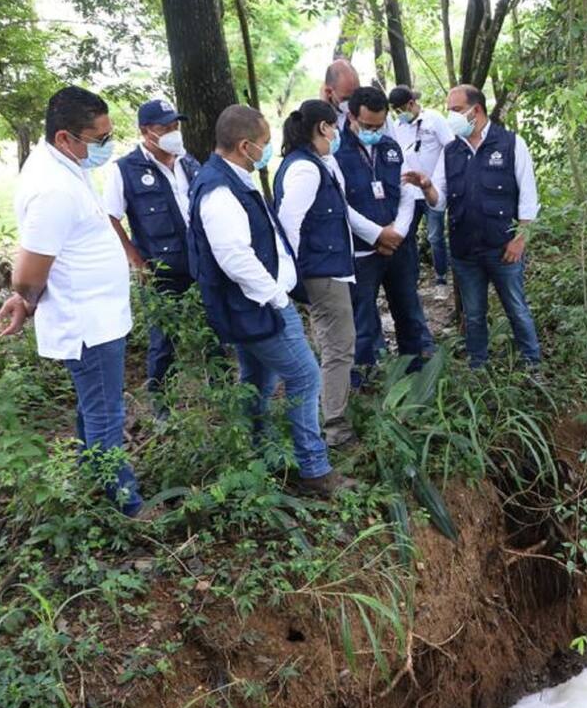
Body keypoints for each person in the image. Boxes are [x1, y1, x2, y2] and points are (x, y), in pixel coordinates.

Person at [0, 85, 144, 516]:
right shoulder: (53, 188)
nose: (106, 146)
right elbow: (29, 271)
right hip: (88, 322)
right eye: (99, 139)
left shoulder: (64, 163)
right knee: (105, 413)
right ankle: (123, 504)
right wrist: (24, 299)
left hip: (99, 315)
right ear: (64, 137)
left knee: (94, 406)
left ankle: (90, 481)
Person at [186, 104, 345, 497]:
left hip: (253, 306)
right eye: (265, 143)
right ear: (245, 146)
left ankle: (262, 454)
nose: (268, 149)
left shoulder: (233, 178)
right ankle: (314, 470)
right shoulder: (219, 190)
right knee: (305, 376)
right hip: (257, 306)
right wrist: (276, 298)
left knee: (258, 379)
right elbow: (234, 257)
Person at [272, 99, 400, 447]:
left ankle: (327, 415)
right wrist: (291, 276)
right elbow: (288, 224)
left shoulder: (318, 164)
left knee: (334, 344)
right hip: (321, 272)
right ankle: (335, 428)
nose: (338, 133)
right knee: (339, 348)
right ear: (323, 127)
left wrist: (378, 234)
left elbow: (343, 213)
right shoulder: (305, 169)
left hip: (330, 268)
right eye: (334, 126)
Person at [403, 85, 541, 370]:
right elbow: (440, 201)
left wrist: (520, 240)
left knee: (517, 309)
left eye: (455, 110)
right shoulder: (451, 151)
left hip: (504, 248)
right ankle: (478, 366)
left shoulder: (511, 144)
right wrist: (426, 186)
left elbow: (529, 197)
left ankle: (532, 365)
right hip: (465, 251)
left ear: (475, 110)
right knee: (474, 314)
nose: (450, 117)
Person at [103, 98, 201, 406]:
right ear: (147, 131)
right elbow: (110, 217)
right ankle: (161, 406)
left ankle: (221, 396)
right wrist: (135, 260)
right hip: (160, 269)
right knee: (164, 339)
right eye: (165, 127)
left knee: (213, 329)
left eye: (176, 125)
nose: (174, 132)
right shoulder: (125, 170)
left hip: (200, 263)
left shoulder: (188, 162)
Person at [335, 86, 434, 386]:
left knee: (409, 312)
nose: (374, 132)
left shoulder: (391, 147)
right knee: (363, 321)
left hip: (398, 247)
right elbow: (340, 205)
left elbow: (406, 192)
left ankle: (415, 378)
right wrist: (378, 234)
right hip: (362, 252)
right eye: (367, 126)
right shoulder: (336, 152)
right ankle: (364, 384)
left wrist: (397, 233)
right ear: (352, 118)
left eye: (379, 126)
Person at [388, 84, 454, 288]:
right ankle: (412, 278)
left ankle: (441, 278)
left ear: (411, 103)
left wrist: (442, 179)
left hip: (433, 188)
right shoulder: (397, 127)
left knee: (435, 236)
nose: (399, 114)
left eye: (401, 109)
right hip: (410, 191)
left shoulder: (434, 119)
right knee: (406, 235)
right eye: (395, 111)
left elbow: (450, 147)